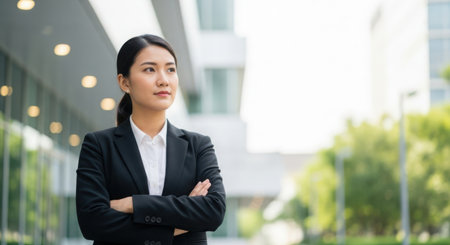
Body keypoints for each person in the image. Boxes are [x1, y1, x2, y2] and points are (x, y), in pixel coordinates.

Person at [76, 34, 226, 245]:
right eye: (150, 69)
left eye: (170, 69)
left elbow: (213, 211)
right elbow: (92, 222)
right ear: (124, 82)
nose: (163, 79)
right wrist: (180, 223)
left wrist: (134, 204)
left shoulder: (198, 145)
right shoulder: (99, 145)